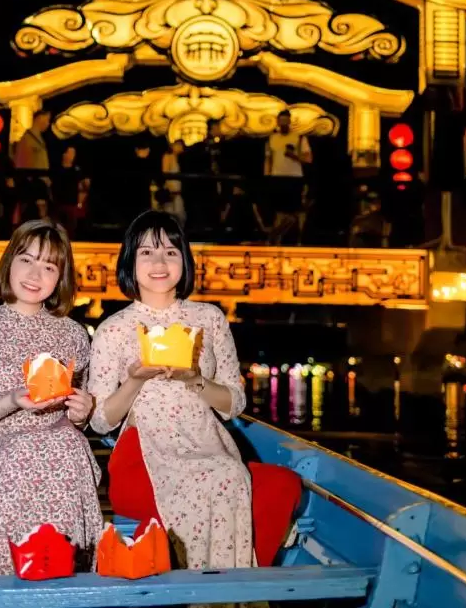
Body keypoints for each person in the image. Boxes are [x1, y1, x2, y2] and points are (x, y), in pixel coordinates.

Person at [86, 210, 253, 569]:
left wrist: (193, 379)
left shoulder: (209, 319)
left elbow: (235, 402)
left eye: (171, 252)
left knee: (229, 471)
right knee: (222, 476)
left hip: (205, 439)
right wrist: (135, 379)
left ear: (185, 261)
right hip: (143, 446)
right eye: (147, 252)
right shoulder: (112, 330)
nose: (159, 262)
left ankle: (220, 593)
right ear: (130, 262)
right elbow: (99, 421)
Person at [0, 219, 101, 576]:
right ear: (9, 263)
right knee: (29, 451)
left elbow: (78, 419)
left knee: (65, 443)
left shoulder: (74, 335)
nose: (35, 273)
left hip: (58, 452)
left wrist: (82, 411)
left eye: (49, 266)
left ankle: (59, 575)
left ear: (60, 278)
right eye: (26, 259)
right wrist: (13, 400)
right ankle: (0, 576)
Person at [264, 109, 311, 245]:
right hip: (277, 177)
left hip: (294, 177)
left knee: (295, 211)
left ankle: (298, 238)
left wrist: (294, 156)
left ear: (290, 121)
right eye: (281, 120)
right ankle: (277, 238)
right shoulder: (272, 138)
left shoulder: (299, 138)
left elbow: (308, 159)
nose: (283, 123)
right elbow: (268, 159)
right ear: (278, 122)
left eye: (286, 120)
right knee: (279, 210)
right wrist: (267, 176)